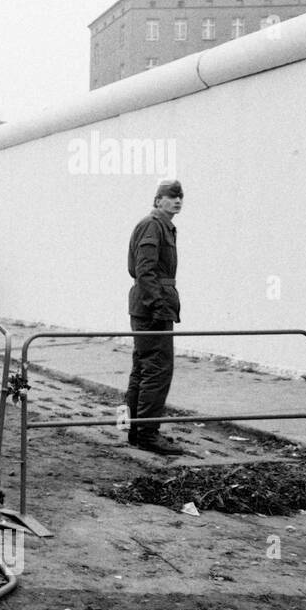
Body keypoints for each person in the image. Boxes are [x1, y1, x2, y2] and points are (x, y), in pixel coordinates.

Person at [126, 180, 186, 456]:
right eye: (171, 196)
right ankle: (147, 433)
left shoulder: (163, 225)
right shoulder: (153, 224)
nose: (177, 201)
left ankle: (138, 430)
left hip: (151, 304)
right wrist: (158, 304)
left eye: (180, 197)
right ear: (158, 199)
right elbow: (144, 270)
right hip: (152, 307)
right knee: (157, 369)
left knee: (144, 367)